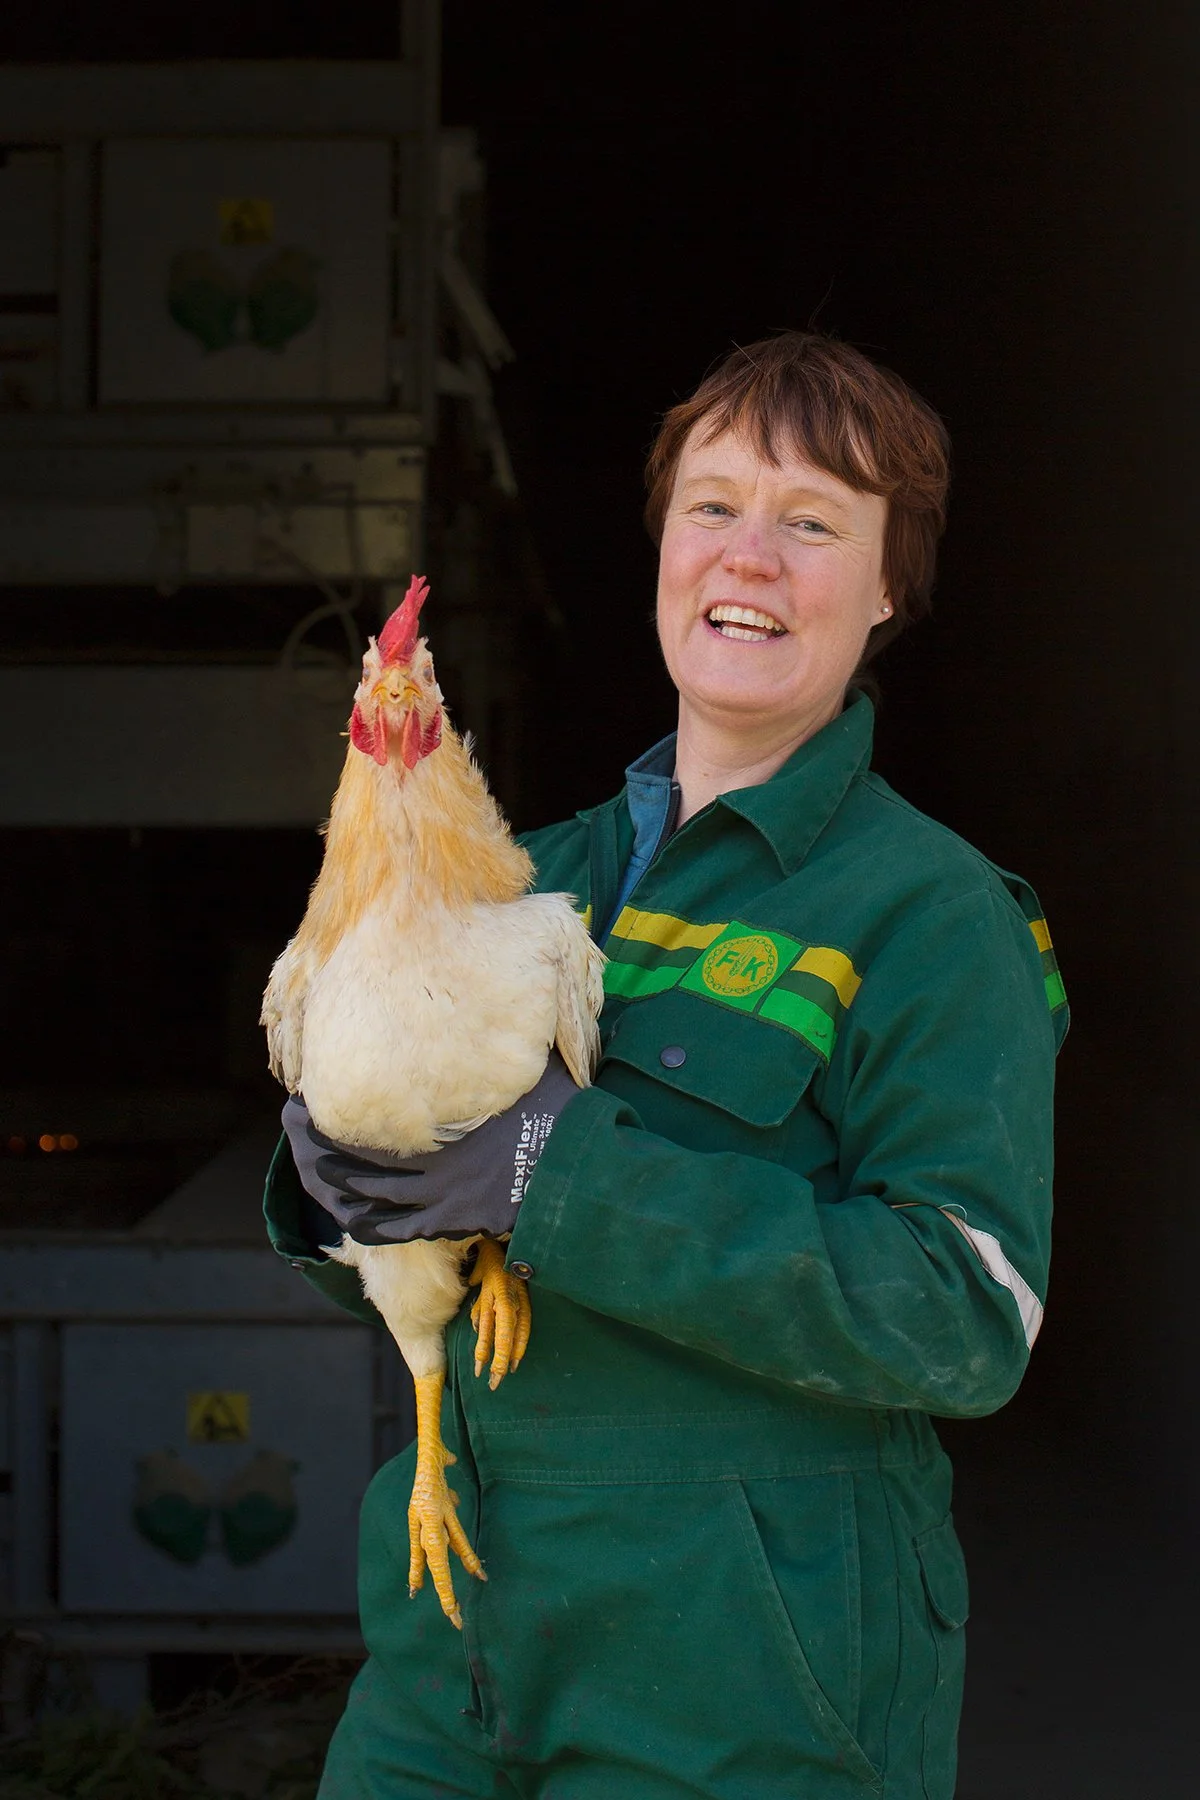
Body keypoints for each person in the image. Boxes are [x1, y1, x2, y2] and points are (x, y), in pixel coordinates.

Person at [265, 330, 1067, 1800]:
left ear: (890, 588)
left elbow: (967, 1314)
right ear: (663, 548)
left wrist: (556, 1176)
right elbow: (392, 1240)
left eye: (813, 522)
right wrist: (344, 1190)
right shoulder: (519, 882)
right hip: (458, 1654)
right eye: (714, 507)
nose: (748, 557)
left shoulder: (932, 916)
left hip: (744, 1685)